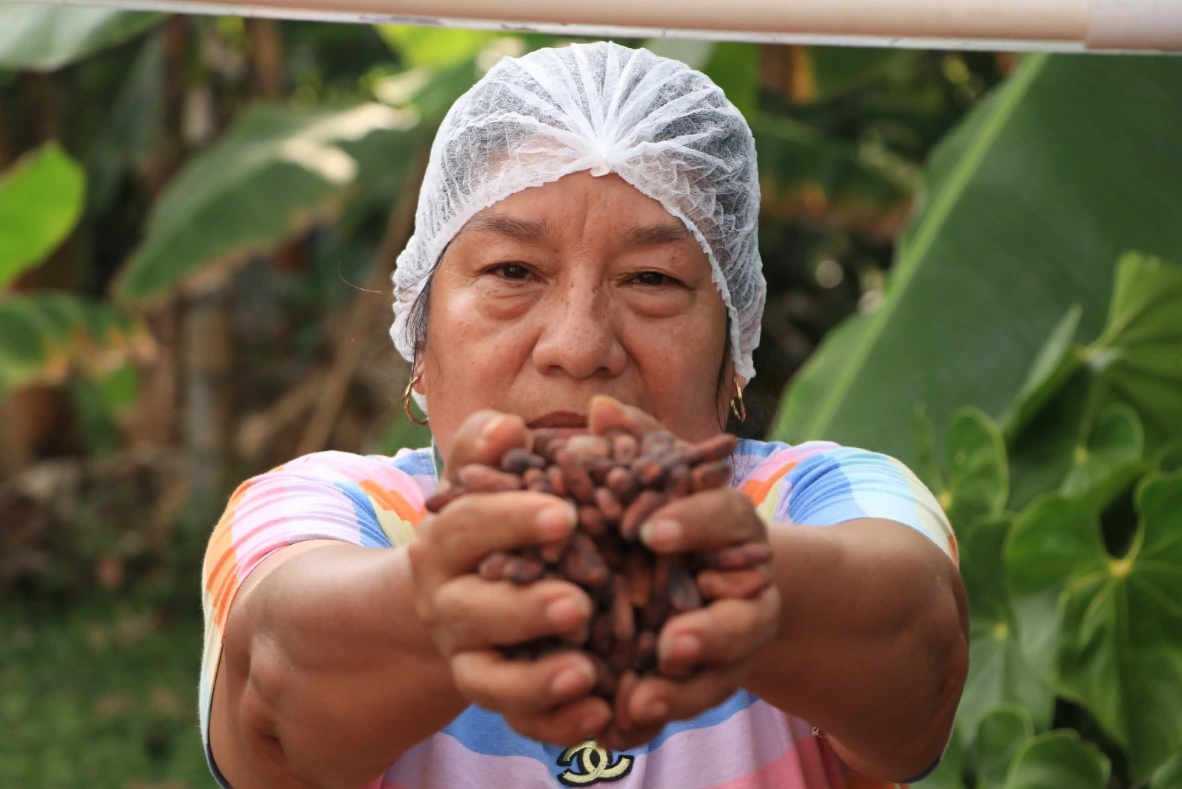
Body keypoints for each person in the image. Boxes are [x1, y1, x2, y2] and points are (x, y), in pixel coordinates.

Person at [200, 41, 967, 789]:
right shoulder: (326, 510)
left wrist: (736, 579)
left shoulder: (823, 498)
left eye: (652, 278)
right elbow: (275, 692)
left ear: (735, 353)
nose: (579, 346)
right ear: (420, 342)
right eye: (512, 270)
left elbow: (919, 655)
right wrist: (438, 605)